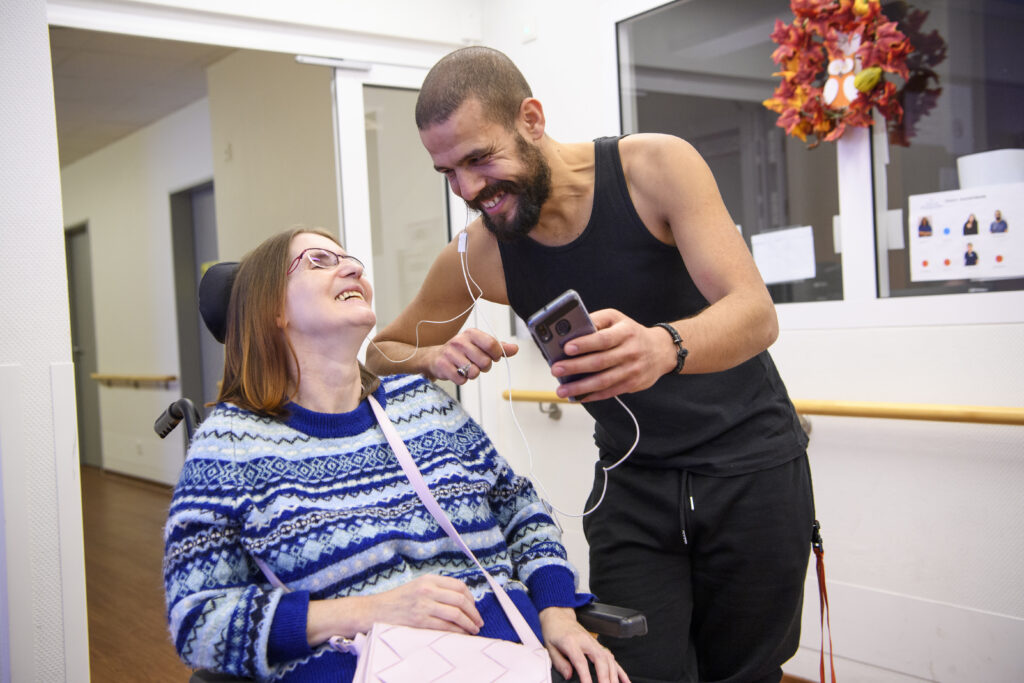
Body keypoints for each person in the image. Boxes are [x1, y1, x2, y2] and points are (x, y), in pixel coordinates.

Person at [367, 47, 814, 683]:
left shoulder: (656, 167)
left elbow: (754, 314)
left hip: (752, 473)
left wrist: (664, 347)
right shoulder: (481, 253)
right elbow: (380, 352)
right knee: (630, 671)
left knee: (744, 672)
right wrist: (433, 355)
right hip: (633, 492)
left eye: (479, 159)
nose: (469, 191)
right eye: (448, 172)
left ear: (531, 118)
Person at [163, 227, 628, 683]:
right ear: (271, 309)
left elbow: (522, 510)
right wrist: (369, 611)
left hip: (512, 659)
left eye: (351, 261)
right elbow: (199, 622)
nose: (349, 268)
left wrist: (558, 613)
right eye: (319, 261)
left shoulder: (421, 404)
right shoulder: (229, 447)